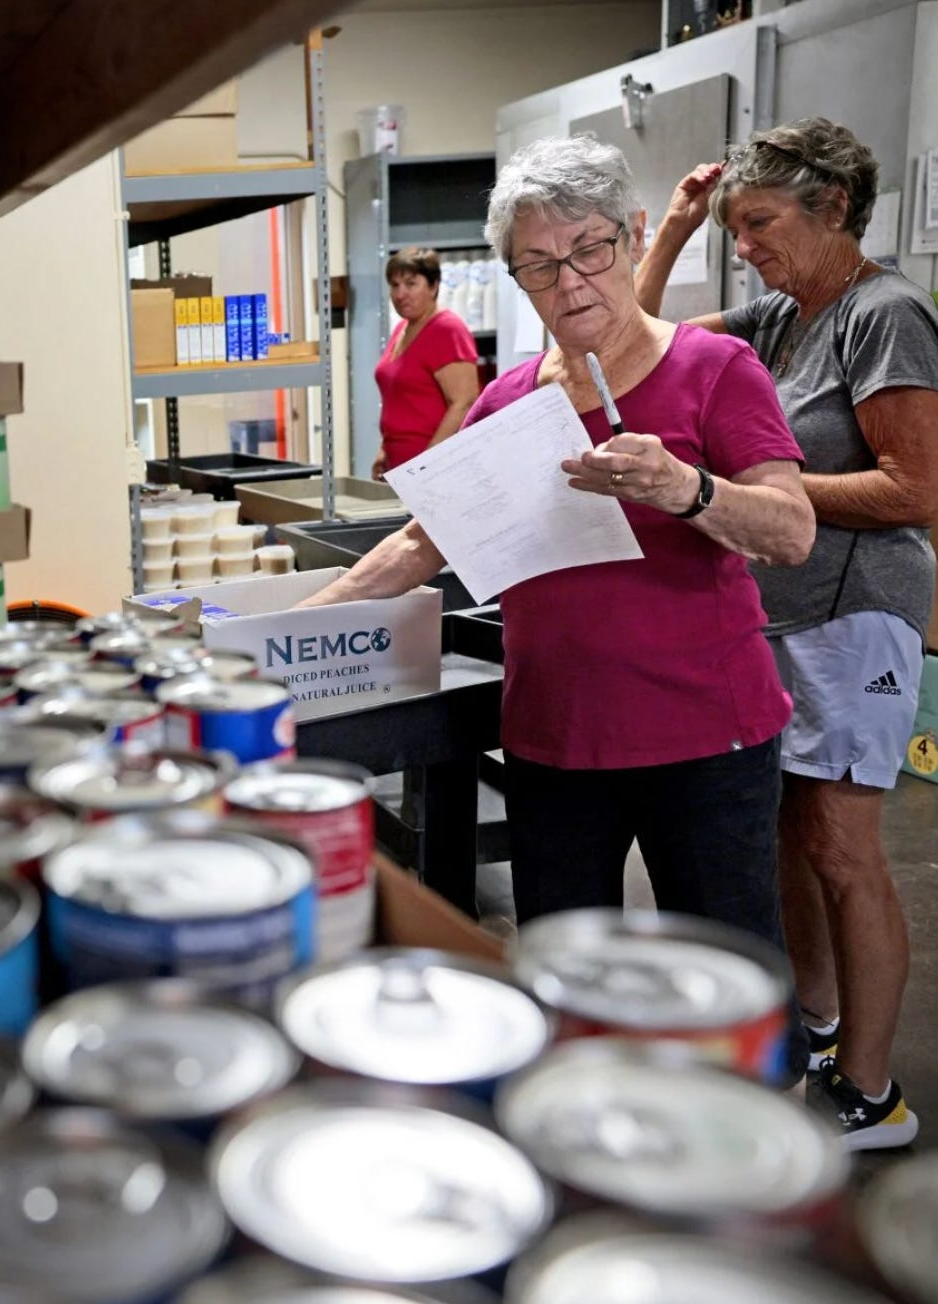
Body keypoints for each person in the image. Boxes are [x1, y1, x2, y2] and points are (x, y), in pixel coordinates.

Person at [300, 135, 817, 1081]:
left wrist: (685, 489)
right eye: (538, 265)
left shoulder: (711, 370)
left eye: (588, 250)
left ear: (628, 238)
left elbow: (789, 531)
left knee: (726, 995)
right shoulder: (507, 406)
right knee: (564, 997)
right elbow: (421, 544)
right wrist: (283, 632)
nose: (570, 282)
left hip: (705, 742)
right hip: (554, 744)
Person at [637, 117, 938, 1148]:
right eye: (735, 229)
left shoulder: (883, 314)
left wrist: (755, 492)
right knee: (782, 830)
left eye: (759, 224)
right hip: (782, 614)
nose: (746, 245)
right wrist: (674, 229)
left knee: (842, 845)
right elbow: (629, 346)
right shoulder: (775, 317)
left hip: (857, 611)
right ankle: (812, 1023)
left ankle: (868, 1093)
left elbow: (915, 485)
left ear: (834, 209)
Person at [371, 247, 480, 479]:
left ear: (433, 286)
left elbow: (464, 402)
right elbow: (400, 400)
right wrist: (384, 449)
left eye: (411, 284)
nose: (400, 294)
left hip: (436, 473)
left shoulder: (446, 329)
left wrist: (427, 465)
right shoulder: (403, 328)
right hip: (400, 467)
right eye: (395, 285)